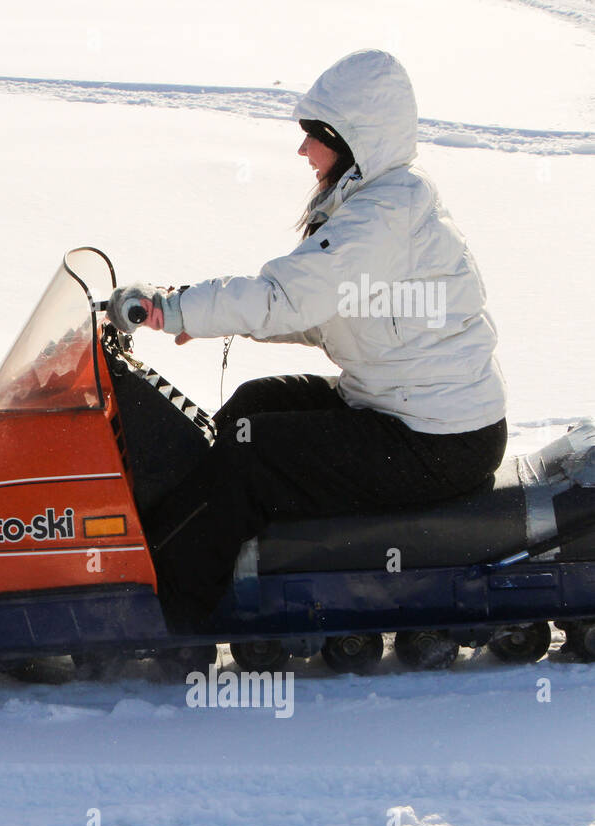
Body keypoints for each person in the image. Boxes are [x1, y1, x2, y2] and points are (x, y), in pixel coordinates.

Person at [106, 49, 508, 631]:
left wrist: (171, 310)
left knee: (252, 452)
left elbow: (285, 298)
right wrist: (195, 315)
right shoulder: (384, 202)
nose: (303, 151)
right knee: (253, 405)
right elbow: (323, 312)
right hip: (405, 408)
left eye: (315, 136)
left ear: (356, 141)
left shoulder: (379, 221)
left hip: (438, 441)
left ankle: (171, 613)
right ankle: (227, 550)